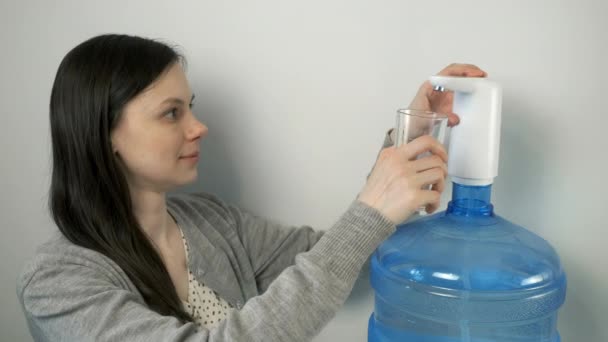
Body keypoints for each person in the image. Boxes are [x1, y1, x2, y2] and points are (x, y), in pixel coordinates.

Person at [16, 34, 487, 341]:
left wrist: (412, 141)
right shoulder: (58, 284)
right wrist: (372, 207)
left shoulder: (212, 221)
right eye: (171, 112)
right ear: (105, 134)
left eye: (191, 107)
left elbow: (346, 260)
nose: (199, 127)